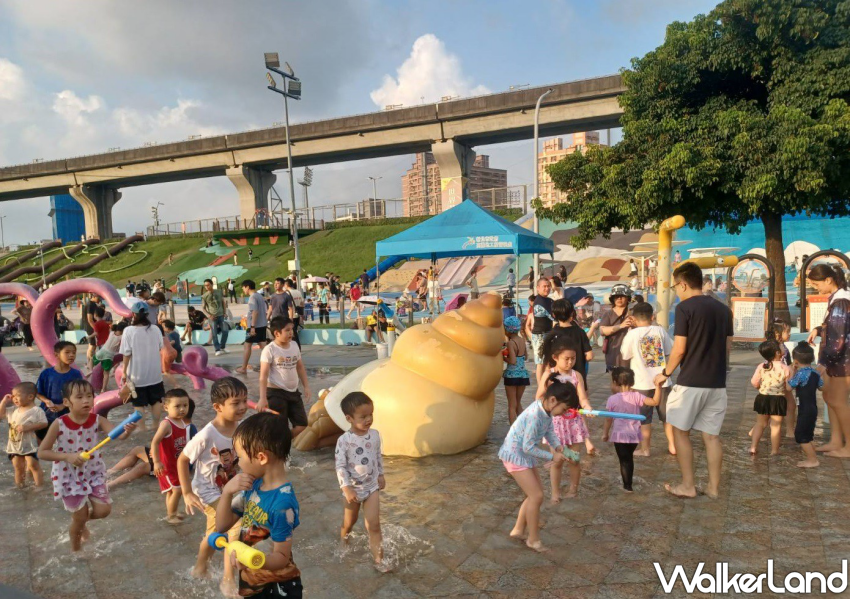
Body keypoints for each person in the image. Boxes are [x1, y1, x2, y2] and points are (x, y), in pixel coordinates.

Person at [654, 262, 733, 499]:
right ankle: (713, 488)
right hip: (717, 383)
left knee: (680, 432)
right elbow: (728, 346)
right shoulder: (723, 309)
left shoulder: (685, 308)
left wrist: (665, 373)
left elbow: (679, 349)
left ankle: (688, 486)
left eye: (675, 287)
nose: (676, 292)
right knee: (711, 437)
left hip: (691, 382)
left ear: (683, 284)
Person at [37, 379, 137, 552]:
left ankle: (80, 522)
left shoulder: (98, 419)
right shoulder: (59, 424)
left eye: (89, 396)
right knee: (80, 516)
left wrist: (127, 431)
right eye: (80, 397)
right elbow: (42, 452)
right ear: (66, 402)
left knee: (103, 511)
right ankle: (76, 551)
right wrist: (67, 456)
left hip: (93, 472)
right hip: (68, 476)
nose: (86, 400)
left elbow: (119, 436)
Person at [215, 413, 303, 597]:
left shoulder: (282, 504)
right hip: (251, 577)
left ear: (261, 457)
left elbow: (281, 557)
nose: (238, 463)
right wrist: (227, 492)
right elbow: (222, 525)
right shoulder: (253, 485)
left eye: (240, 457)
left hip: (277, 586)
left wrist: (252, 560)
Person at [178, 377, 248, 590]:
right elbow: (182, 459)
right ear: (218, 407)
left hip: (228, 489)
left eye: (244, 401)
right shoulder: (207, 434)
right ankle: (228, 580)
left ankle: (199, 568)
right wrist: (186, 492)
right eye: (236, 403)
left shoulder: (240, 428)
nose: (243, 407)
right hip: (208, 491)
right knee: (235, 525)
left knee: (214, 531)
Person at [499, 380, 576, 552]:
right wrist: (552, 456)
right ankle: (533, 539)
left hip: (523, 455)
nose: (563, 414)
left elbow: (549, 431)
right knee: (536, 496)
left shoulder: (546, 411)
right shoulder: (535, 415)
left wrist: (558, 446)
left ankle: (518, 530)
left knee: (534, 494)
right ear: (553, 400)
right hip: (515, 456)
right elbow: (528, 447)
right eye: (564, 409)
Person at [336, 392, 388, 571]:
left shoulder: (374, 435)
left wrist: (380, 474)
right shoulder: (344, 441)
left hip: (371, 487)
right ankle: (344, 541)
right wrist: (346, 487)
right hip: (353, 489)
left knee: (374, 525)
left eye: (371, 414)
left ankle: (379, 561)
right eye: (363, 416)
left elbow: (377, 455)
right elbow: (340, 466)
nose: (369, 419)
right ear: (349, 418)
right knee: (349, 522)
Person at [537, 337, 594, 501]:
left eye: (573, 359)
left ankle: (573, 490)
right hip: (555, 425)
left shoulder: (576, 375)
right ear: (555, 357)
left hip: (574, 423)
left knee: (574, 460)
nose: (570, 362)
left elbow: (582, 398)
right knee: (557, 461)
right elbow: (539, 398)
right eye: (566, 359)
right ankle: (555, 494)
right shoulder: (549, 375)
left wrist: (587, 407)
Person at [804, 264, 850, 458]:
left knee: (838, 401)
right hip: (837, 360)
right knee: (830, 397)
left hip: (842, 361)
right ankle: (836, 440)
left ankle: (848, 447)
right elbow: (835, 327)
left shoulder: (841, 301)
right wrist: (818, 329)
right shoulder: (838, 298)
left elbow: (838, 338)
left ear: (828, 280)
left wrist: (823, 362)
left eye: (816, 284)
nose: (816, 288)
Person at [620, 302, 675, 456]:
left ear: (634, 318)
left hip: (641, 383)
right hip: (662, 381)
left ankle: (645, 449)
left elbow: (625, 355)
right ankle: (673, 445)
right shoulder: (660, 330)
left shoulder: (632, 334)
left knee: (644, 418)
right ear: (652, 317)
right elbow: (669, 350)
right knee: (667, 416)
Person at [602, 368, 662, 492]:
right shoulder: (637, 396)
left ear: (615, 382)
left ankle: (627, 487)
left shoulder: (612, 399)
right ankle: (629, 483)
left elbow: (608, 419)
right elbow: (655, 402)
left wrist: (605, 433)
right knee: (629, 458)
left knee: (624, 461)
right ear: (632, 382)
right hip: (634, 434)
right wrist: (658, 387)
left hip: (620, 435)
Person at [257, 317, 311, 438]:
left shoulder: (294, 345)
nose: (291, 332)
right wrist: (262, 398)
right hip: (276, 393)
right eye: (287, 330)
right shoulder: (269, 350)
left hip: (293, 392)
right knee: (279, 426)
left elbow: (300, 367)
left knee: (302, 424)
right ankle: (279, 443)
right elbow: (263, 376)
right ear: (277, 333)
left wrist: (306, 386)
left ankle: (284, 440)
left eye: (292, 329)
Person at [119, 302, 165, 432]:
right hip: (155, 374)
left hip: (137, 376)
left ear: (133, 314)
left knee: (138, 404)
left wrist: (124, 372)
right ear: (147, 314)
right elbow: (160, 347)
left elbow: (126, 353)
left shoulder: (128, 331)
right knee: (156, 401)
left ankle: (142, 429)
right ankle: (155, 426)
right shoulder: (156, 329)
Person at [0, 382, 47, 488]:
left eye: (17, 396)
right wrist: (3, 401)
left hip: (30, 445)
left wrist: (28, 427)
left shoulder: (36, 411)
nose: (14, 398)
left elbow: (44, 423)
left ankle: (39, 487)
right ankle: (20, 487)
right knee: (18, 468)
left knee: (33, 466)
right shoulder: (13, 410)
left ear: (30, 397)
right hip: (14, 446)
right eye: (13, 396)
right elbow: (1, 414)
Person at [749, 339, 790, 456]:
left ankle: (753, 447)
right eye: (781, 347)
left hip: (763, 398)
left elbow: (754, 382)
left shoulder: (761, 366)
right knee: (775, 426)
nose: (783, 348)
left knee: (760, 424)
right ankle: (774, 451)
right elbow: (788, 388)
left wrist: (760, 387)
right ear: (777, 353)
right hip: (777, 399)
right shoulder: (785, 368)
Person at [36, 341, 83, 440]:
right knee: (43, 442)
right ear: (56, 354)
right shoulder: (46, 373)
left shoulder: (76, 374)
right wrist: (47, 401)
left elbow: (79, 395)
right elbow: (38, 392)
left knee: (67, 442)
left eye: (74, 352)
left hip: (68, 414)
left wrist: (63, 405)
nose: (71, 355)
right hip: (46, 414)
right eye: (67, 352)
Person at [789, 342, 824, 468]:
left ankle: (812, 460)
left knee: (801, 436)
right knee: (808, 434)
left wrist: (792, 372)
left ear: (796, 361)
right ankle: (812, 457)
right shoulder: (815, 373)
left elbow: (788, 387)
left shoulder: (800, 374)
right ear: (812, 358)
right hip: (812, 408)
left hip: (804, 409)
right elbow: (821, 388)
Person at [544, 299, 593, 388]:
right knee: (581, 395)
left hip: (557, 379)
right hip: (577, 377)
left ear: (553, 315)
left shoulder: (552, 334)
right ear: (572, 313)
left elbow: (547, 360)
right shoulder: (580, 332)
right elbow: (589, 356)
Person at [524, 278, 554, 384]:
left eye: (548, 286)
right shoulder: (539, 301)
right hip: (539, 335)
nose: (547, 288)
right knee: (540, 362)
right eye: (544, 286)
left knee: (548, 361)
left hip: (549, 333)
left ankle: (548, 382)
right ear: (538, 288)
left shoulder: (549, 300)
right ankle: (541, 385)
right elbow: (551, 316)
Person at [236, 280, 268, 375]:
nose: (243, 290)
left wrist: (252, 326)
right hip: (262, 324)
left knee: (247, 345)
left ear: (247, 287)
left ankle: (243, 368)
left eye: (243, 288)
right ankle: (271, 365)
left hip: (255, 326)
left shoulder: (252, 297)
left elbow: (255, 312)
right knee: (263, 346)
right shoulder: (259, 296)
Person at [600, 284, 634, 371]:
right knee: (615, 377)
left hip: (631, 354)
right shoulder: (608, 314)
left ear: (628, 298)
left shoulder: (633, 313)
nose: (619, 299)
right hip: (613, 353)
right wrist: (620, 326)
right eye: (616, 296)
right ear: (612, 299)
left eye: (622, 296)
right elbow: (602, 331)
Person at [503, 316, 529, 424]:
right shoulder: (522, 340)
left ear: (507, 329)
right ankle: (525, 427)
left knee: (512, 405)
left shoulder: (511, 343)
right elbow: (526, 357)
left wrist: (503, 357)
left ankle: (513, 430)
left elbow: (513, 361)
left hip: (512, 376)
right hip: (523, 375)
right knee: (518, 403)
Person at [93, 323, 125, 394]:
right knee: (106, 373)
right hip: (108, 356)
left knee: (92, 361)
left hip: (101, 352)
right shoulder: (122, 337)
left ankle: (90, 370)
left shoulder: (112, 333)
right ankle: (103, 389)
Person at [202, 279, 229, 356]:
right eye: (205, 285)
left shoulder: (219, 292)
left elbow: (223, 302)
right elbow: (203, 308)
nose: (206, 287)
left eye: (208, 285)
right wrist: (209, 316)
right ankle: (217, 349)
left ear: (212, 284)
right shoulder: (204, 296)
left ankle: (222, 346)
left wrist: (225, 312)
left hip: (221, 315)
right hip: (212, 317)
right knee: (214, 333)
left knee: (225, 331)